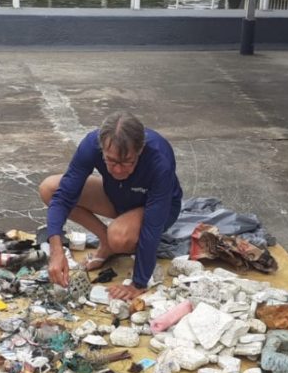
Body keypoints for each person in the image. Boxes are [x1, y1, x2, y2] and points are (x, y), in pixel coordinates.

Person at [40, 112, 183, 301]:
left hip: (155, 206)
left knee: (119, 236)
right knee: (49, 189)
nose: (118, 170)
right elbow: (63, 196)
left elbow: (153, 224)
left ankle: (114, 239)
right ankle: (105, 242)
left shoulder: (159, 157)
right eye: (111, 161)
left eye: (127, 162)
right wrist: (56, 251)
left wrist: (138, 283)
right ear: (101, 149)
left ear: (140, 150)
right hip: (117, 194)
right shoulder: (91, 144)